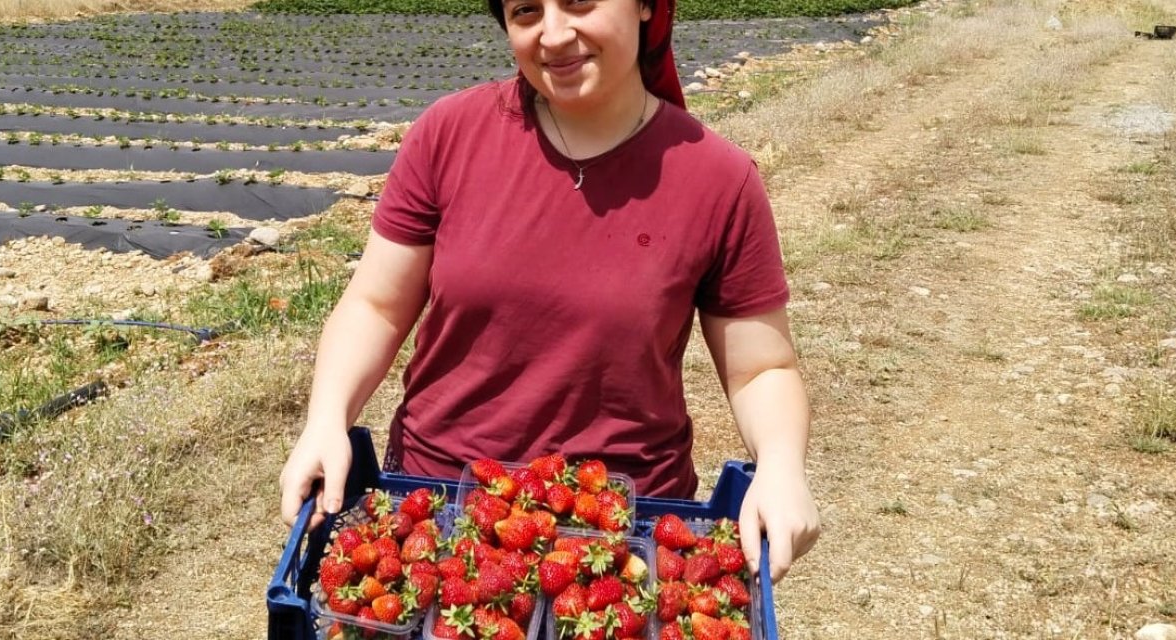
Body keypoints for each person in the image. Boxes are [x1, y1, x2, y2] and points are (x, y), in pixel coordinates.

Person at [279, 0, 819, 584]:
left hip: (621, 534)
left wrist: (782, 465)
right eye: (526, 12)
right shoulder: (449, 135)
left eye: (579, 3)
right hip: (438, 508)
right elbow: (376, 306)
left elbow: (760, 368)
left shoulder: (719, 178)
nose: (554, 35)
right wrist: (327, 418)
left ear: (643, 6)